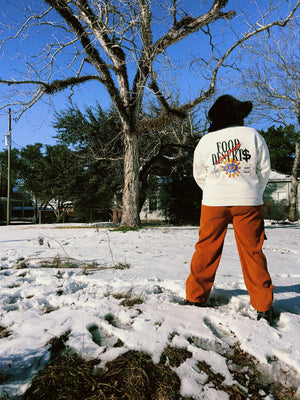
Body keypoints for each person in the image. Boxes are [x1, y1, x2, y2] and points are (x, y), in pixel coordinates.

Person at [185, 94, 275, 324]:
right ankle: (263, 305)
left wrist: (215, 189)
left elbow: (199, 174)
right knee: (253, 251)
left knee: (206, 248)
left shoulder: (206, 140)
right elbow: (264, 170)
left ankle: (195, 297)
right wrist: (253, 189)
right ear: (239, 115)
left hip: (214, 202)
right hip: (248, 202)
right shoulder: (253, 135)